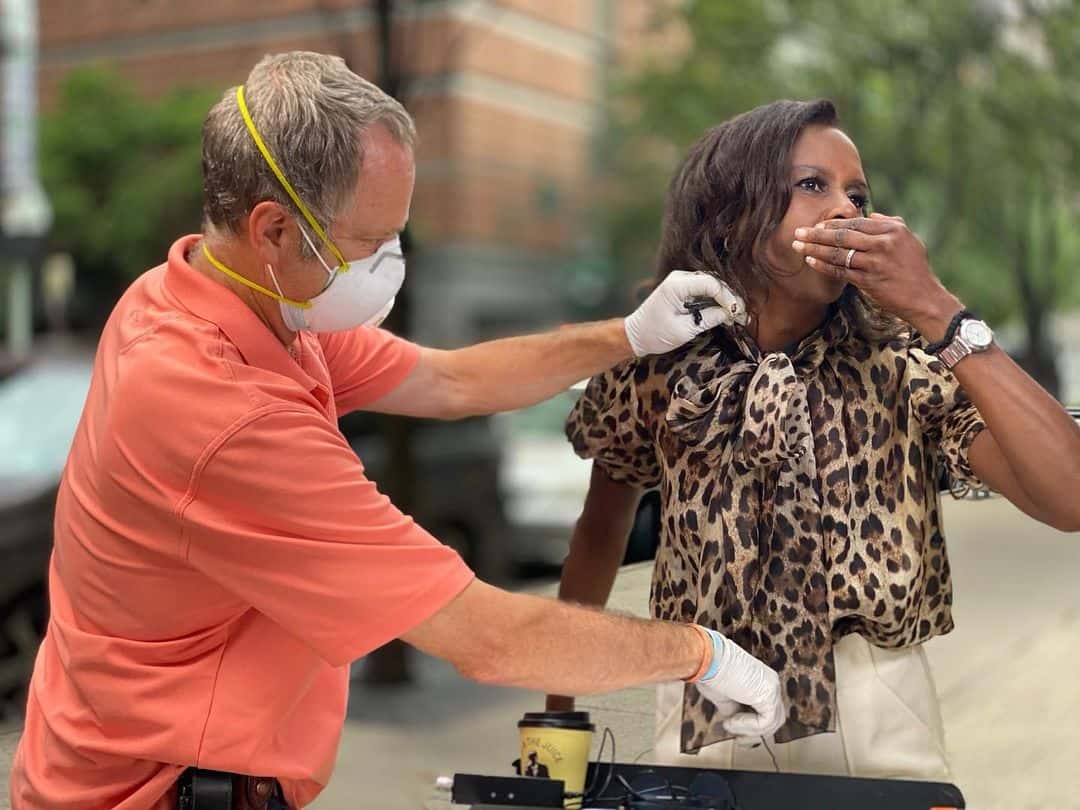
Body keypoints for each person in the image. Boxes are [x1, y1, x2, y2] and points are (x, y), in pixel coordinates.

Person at [9, 52, 786, 810]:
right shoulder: (222, 412)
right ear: (274, 229)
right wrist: (701, 654)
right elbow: (489, 638)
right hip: (145, 790)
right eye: (369, 244)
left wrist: (628, 335)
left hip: (138, 767)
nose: (389, 265)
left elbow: (448, 380)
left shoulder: (225, 300)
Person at [553, 99, 1080, 779]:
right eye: (812, 185)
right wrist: (558, 711)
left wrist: (938, 311)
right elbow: (599, 535)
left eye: (857, 195)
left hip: (877, 713)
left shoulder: (906, 362)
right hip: (701, 707)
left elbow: (1069, 498)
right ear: (731, 213)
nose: (845, 210)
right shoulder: (658, 364)